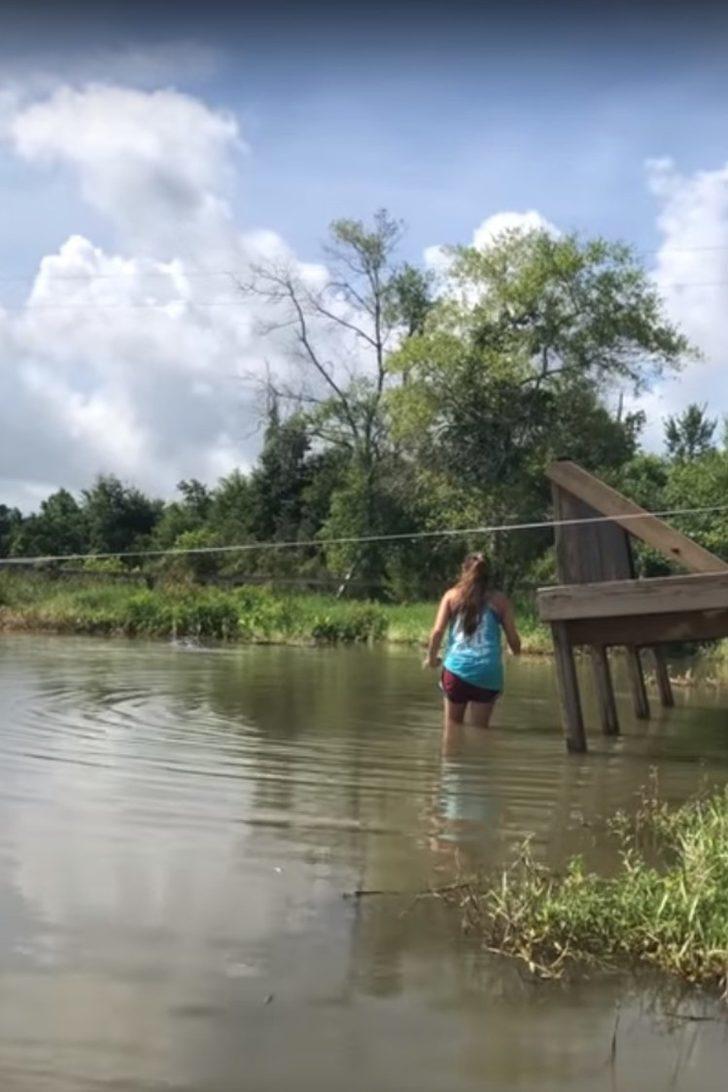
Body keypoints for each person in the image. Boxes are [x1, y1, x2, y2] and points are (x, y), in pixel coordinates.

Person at [424, 552, 521, 729]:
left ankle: (451, 757)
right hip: (488, 672)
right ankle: (478, 757)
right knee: (480, 731)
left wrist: (431, 659)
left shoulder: (451, 596)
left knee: (452, 729)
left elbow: (437, 632)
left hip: (456, 671)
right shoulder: (500, 600)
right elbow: (513, 638)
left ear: (463, 570)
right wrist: (515, 651)